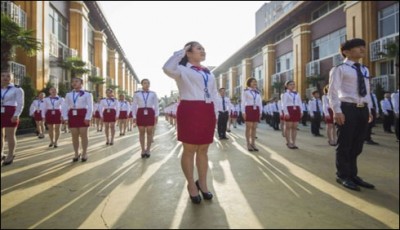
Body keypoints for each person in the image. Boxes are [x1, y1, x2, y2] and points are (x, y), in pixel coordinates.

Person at [163, 41, 217, 204]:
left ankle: (203, 183)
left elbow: (214, 93)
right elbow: (167, 68)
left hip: (207, 110)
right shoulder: (182, 70)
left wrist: (216, 112)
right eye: (199, 48)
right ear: (189, 52)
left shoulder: (209, 72)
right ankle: (191, 185)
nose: (203, 50)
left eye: (203, 48)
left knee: (203, 149)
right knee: (190, 149)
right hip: (190, 109)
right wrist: (182, 51)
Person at [328, 38, 375, 191]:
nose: (362, 49)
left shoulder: (364, 69)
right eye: (358, 47)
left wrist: (369, 109)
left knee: (357, 144)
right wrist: (337, 111)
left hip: (362, 109)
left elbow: (367, 91)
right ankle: (343, 175)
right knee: (345, 144)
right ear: (346, 52)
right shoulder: (339, 69)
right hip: (347, 108)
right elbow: (333, 92)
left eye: (363, 46)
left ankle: (353, 175)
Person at [61, 77, 93, 162]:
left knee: (84, 135)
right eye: (73, 82)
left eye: (76, 81)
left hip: (83, 114)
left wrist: (88, 117)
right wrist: (65, 117)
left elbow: (90, 107)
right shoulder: (68, 94)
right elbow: (64, 106)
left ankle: (84, 153)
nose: (74, 83)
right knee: (74, 135)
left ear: (81, 83)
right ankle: (76, 153)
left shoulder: (87, 94)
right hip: (72, 115)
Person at [1, 71, 24, 165]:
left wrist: (16, 114)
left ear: (12, 78)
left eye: (8, 76)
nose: (5, 78)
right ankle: (1, 153)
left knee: (10, 135)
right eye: (2, 76)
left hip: (11, 112)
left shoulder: (17, 89)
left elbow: (20, 103)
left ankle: (11, 154)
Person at [132, 79, 159, 158]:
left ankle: (148, 149)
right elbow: (134, 105)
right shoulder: (137, 94)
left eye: (148, 83)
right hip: (140, 112)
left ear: (149, 84)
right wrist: (134, 116)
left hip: (150, 112)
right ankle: (143, 149)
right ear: (142, 84)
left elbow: (156, 105)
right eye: (144, 83)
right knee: (141, 132)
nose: (146, 84)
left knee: (150, 132)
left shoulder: (153, 94)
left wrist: (156, 115)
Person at [241, 78, 263, 152]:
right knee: (248, 127)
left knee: (254, 127)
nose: (255, 83)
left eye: (256, 82)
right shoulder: (245, 91)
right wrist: (243, 112)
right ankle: (248, 144)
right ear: (249, 83)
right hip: (249, 109)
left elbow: (260, 103)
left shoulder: (257, 92)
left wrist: (260, 112)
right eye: (253, 82)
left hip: (256, 109)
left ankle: (253, 143)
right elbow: (243, 102)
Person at [281, 80, 302, 149]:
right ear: (286, 86)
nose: (292, 86)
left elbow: (300, 103)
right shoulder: (285, 94)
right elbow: (284, 104)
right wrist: (286, 113)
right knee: (288, 127)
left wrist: (301, 111)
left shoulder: (297, 93)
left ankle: (293, 142)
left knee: (294, 127)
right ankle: (288, 142)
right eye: (290, 84)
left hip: (296, 110)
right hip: (289, 110)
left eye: (293, 84)